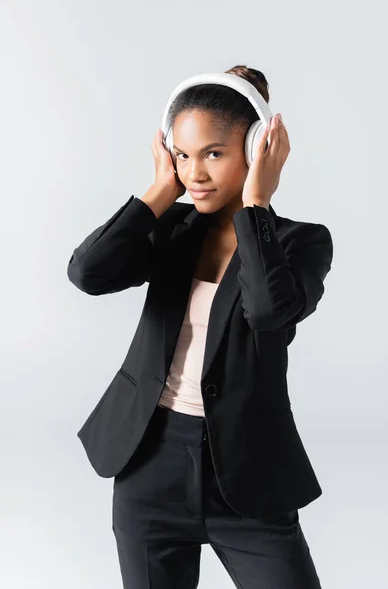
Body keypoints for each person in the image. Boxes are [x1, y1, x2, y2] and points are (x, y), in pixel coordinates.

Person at [68, 65, 333, 588]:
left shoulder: (301, 243)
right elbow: (87, 273)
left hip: (248, 475)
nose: (196, 173)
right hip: (150, 465)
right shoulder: (172, 229)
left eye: (213, 153)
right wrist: (160, 192)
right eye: (184, 155)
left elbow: (267, 314)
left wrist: (256, 204)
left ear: (256, 149)